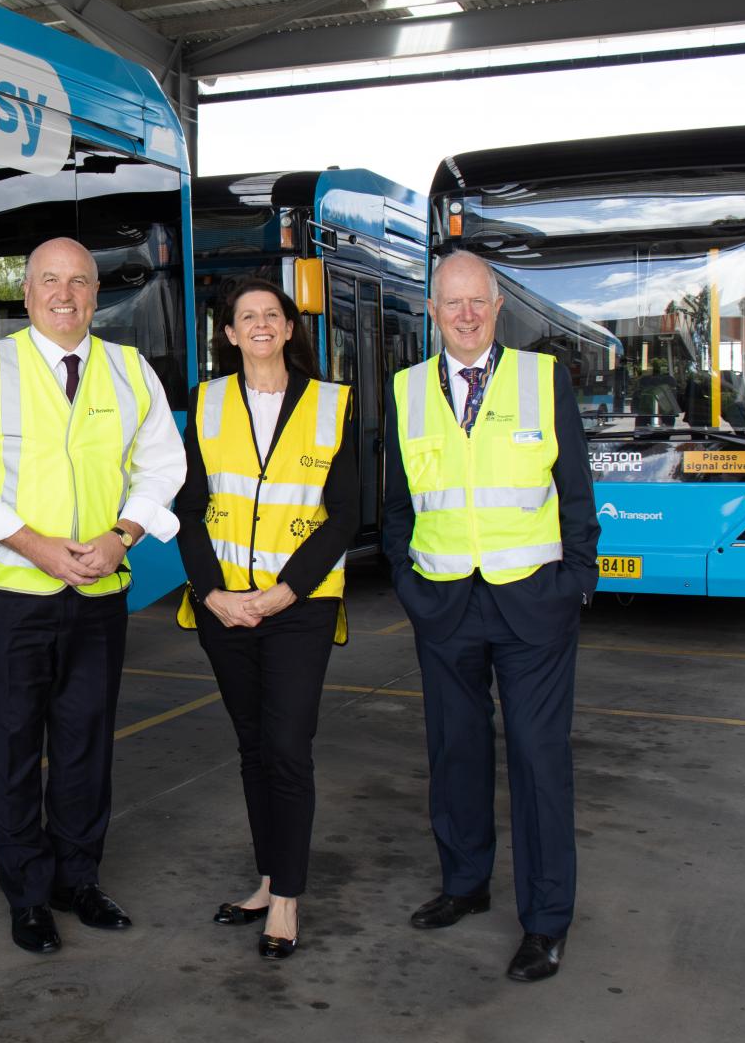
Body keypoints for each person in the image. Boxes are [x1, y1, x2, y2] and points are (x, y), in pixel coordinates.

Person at [0, 236, 184, 955]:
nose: (65, 295)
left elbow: (162, 463)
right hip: (11, 596)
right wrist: (36, 547)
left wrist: (122, 535)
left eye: (79, 282)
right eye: (50, 281)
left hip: (100, 589)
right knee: (12, 749)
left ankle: (78, 879)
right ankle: (27, 894)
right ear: (27, 292)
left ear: (95, 293)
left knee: (84, 746)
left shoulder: (129, 369)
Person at [382, 249, 600, 983]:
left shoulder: (543, 380)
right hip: (444, 601)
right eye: (452, 303)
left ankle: (544, 922)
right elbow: (395, 506)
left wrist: (574, 581)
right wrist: (408, 584)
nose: (466, 315)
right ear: (432, 311)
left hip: (531, 603)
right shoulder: (405, 389)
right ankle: (464, 885)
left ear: (496, 307)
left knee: (539, 763)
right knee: (455, 754)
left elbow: (575, 494)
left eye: (478, 302)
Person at [173, 279, 357, 960]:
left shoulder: (330, 403)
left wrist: (284, 592)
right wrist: (212, 591)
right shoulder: (205, 403)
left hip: (297, 610)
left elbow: (343, 513)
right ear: (227, 333)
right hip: (224, 608)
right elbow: (187, 508)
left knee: (286, 747)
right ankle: (266, 877)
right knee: (253, 748)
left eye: (269, 315)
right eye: (243, 316)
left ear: (287, 329)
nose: (257, 325)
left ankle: (286, 900)